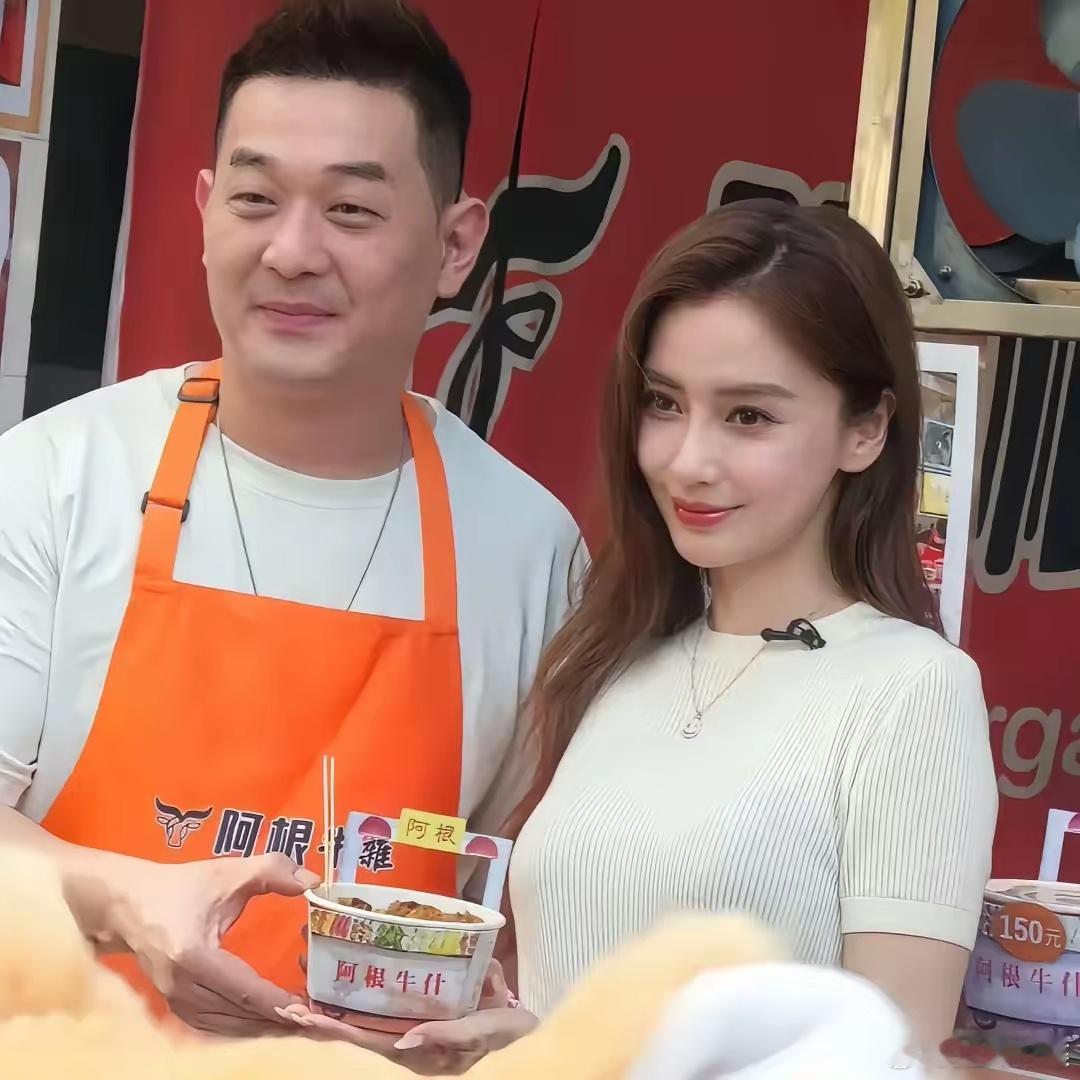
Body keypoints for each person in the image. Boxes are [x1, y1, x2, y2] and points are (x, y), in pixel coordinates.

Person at [0, 0, 581, 1050]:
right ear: (205, 209)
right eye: (256, 200)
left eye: (351, 211)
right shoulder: (55, 479)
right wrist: (128, 899)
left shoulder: (529, 550)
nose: (292, 251)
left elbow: (517, 897)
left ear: (457, 245)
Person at [319, 200, 999, 1071]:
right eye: (665, 403)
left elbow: (889, 1060)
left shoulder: (913, 690)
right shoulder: (609, 657)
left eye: (749, 416)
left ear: (865, 429)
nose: (687, 460)